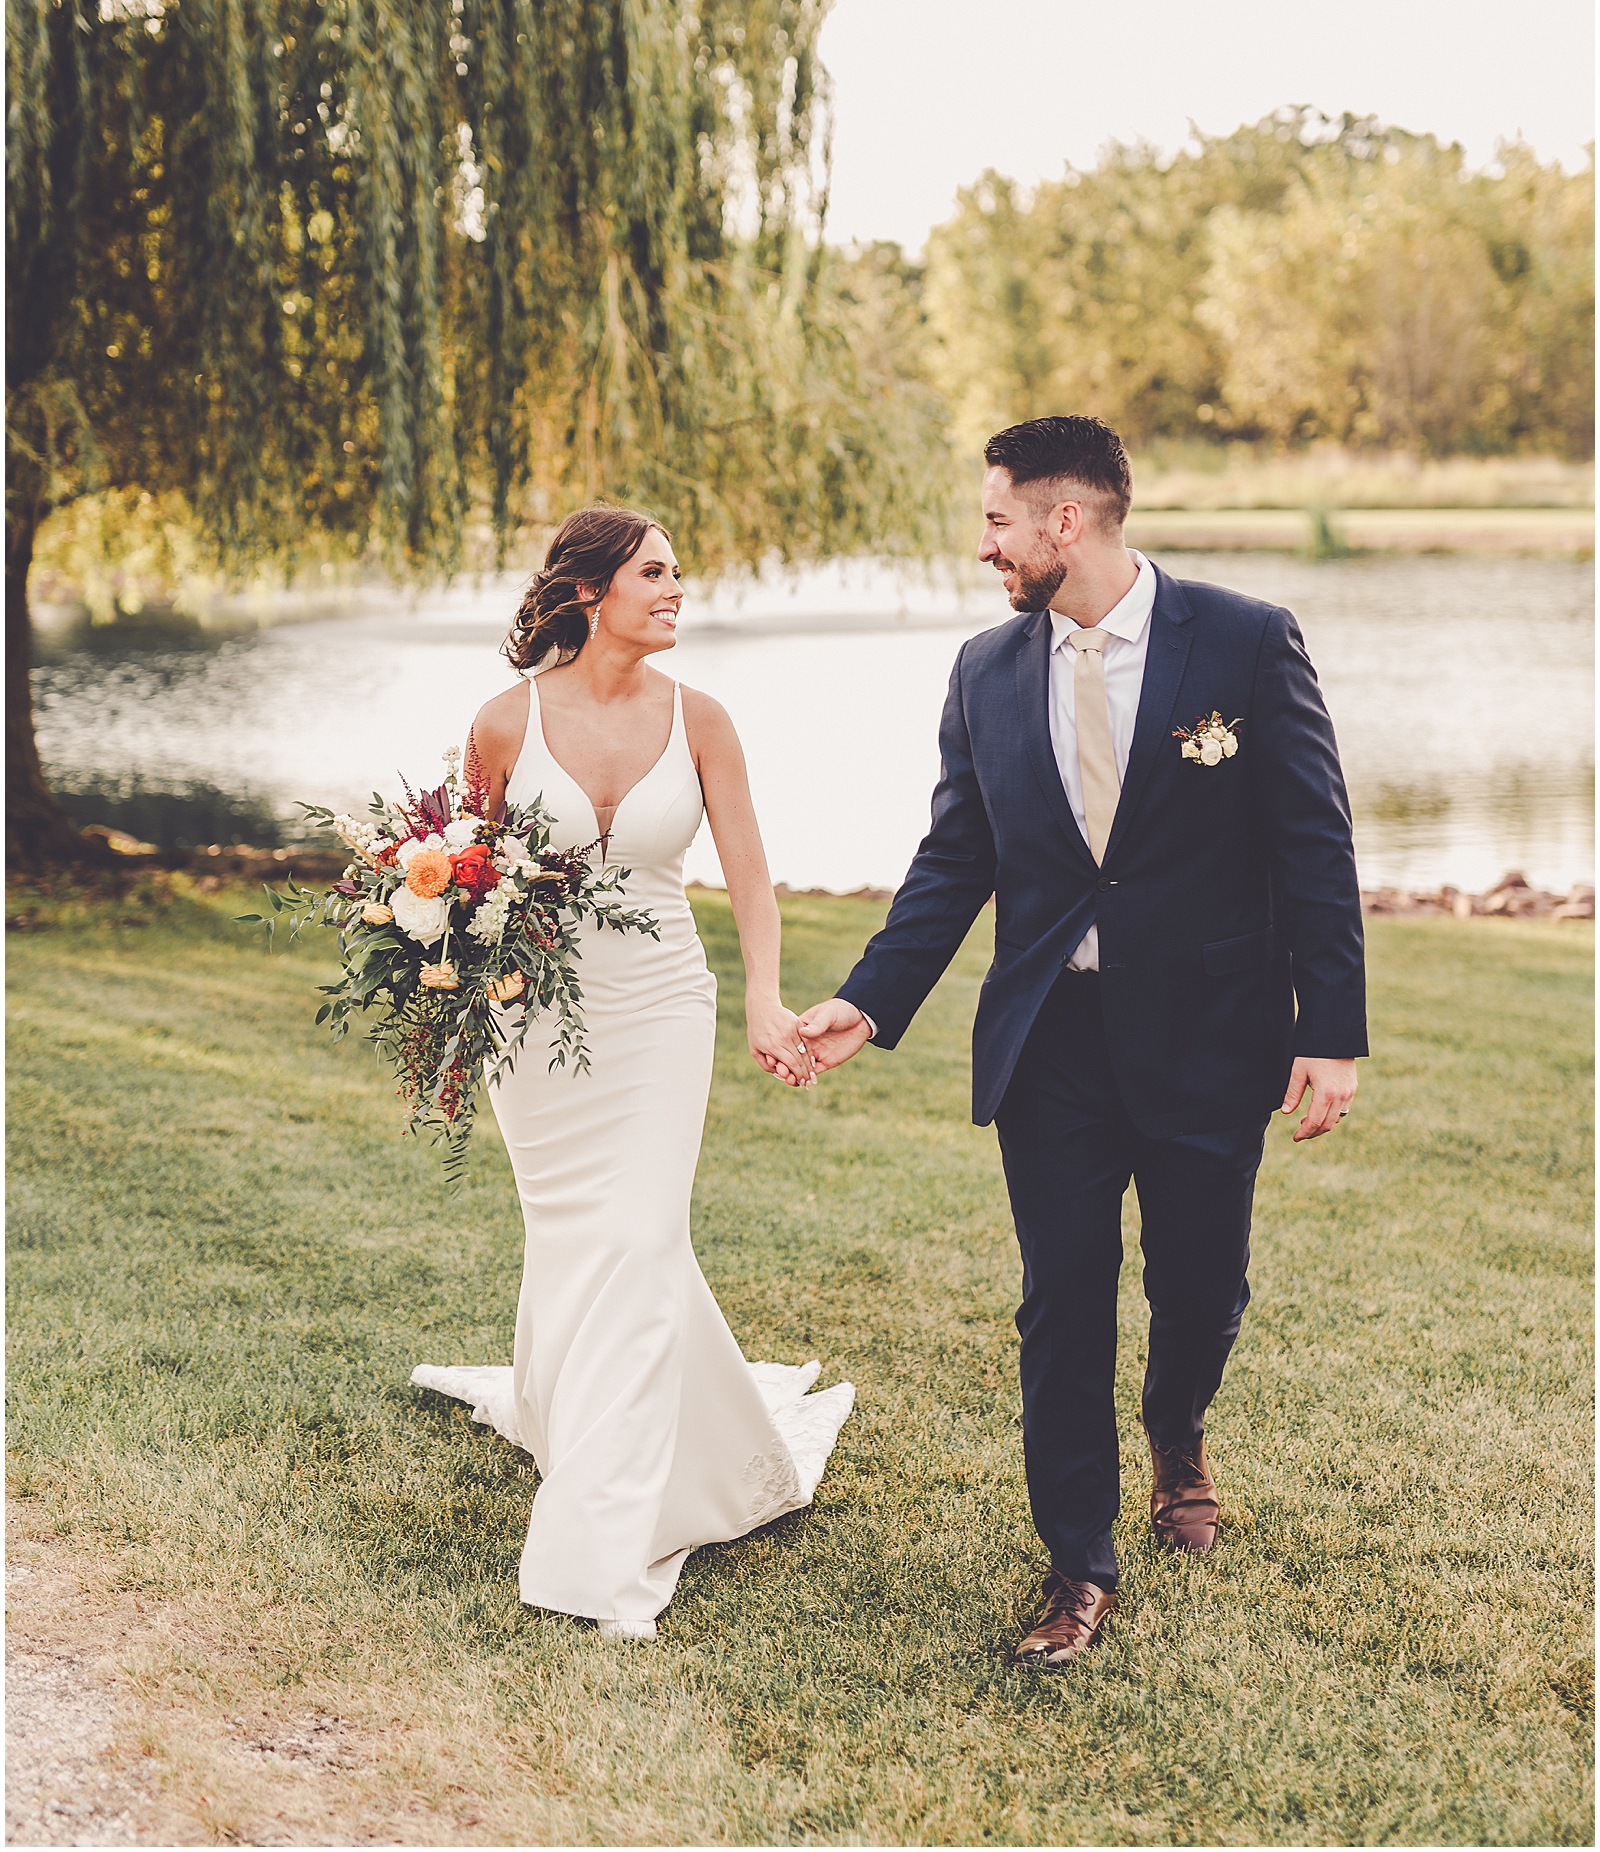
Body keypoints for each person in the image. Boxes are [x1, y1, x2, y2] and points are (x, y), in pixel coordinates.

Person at [795, 415, 1366, 1665]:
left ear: (1067, 519)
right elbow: (955, 860)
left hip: (1212, 1032)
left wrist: (1330, 1030)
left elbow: (1313, 845)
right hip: (1052, 1038)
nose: (983, 542)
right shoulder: (985, 671)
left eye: (998, 518)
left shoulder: (1245, 640)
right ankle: (1077, 1568)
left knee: (1198, 1290)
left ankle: (1179, 1430)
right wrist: (868, 999)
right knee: (1061, 1300)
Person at [412, 506, 853, 1640]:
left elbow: (751, 874)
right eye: (654, 572)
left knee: (644, 1235)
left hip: (661, 1005)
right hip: (534, 1020)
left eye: (676, 571)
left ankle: (596, 1546)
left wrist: (765, 996)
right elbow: (461, 886)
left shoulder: (702, 719)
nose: (676, 589)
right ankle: (593, 1420)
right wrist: (454, 1022)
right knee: (576, 1238)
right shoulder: (503, 724)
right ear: (588, 590)